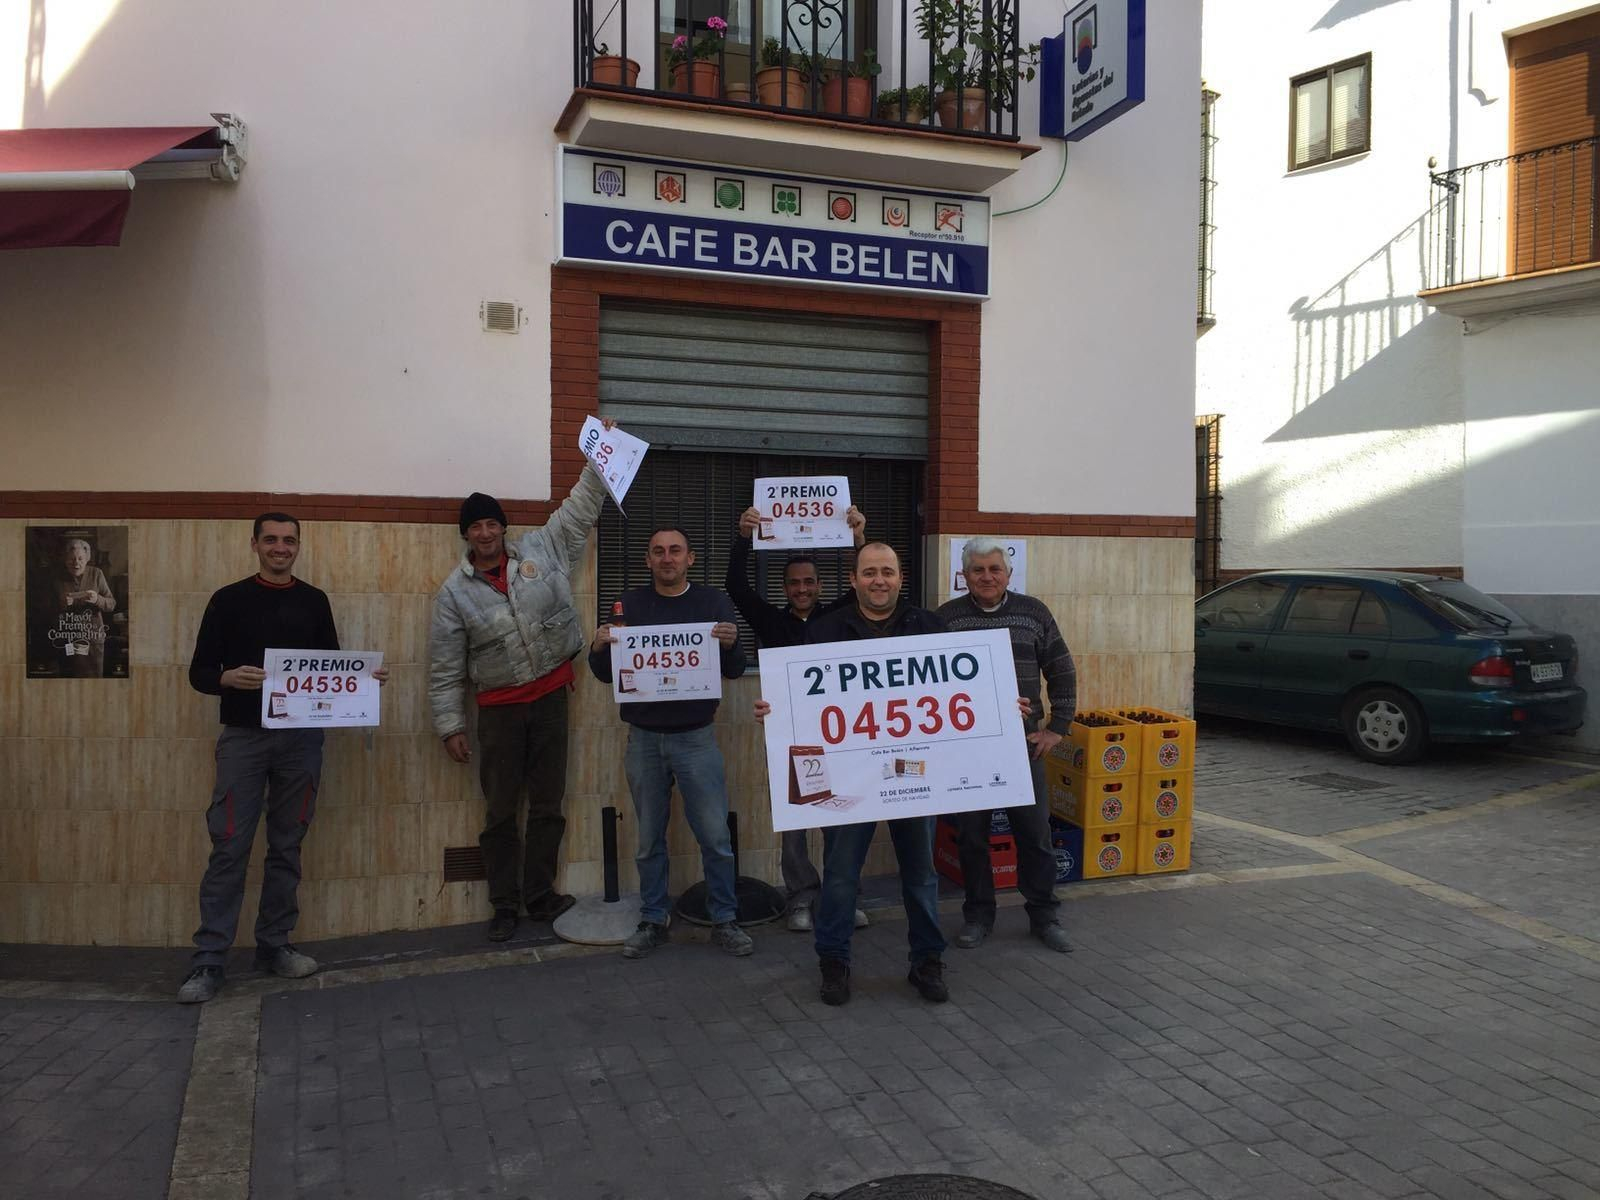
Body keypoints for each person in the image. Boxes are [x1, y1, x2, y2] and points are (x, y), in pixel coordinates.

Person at [178, 513, 387, 1004]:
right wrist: (229, 678)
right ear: (254, 544)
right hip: (244, 741)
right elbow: (200, 672)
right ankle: (209, 960)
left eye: (288, 540)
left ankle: (274, 946)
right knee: (229, 846)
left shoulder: (313, 601)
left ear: (298, 546)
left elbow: (331, 670)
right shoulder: (227, 600)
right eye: (270, 539)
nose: (279, 547)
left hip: (301, 742)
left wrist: (359, 682)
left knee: (287, 845)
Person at [756, 543, 955, 1008]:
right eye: (869, 573)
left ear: (901, 577)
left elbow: (957, 693)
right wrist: (775, 710)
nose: (879, 580)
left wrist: (1002, 705)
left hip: (914, 773)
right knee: (841, 875)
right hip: (850, 777)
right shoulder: (824, 631)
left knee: (921, 876)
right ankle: (834, 962)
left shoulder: (930, 627)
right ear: (854, 580)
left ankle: (927, 961)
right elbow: (799, 698)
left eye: (887, 571)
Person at [429, 455, 608, 943]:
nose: (485, 533)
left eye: (492, 523)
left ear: (503, 528)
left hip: (551, 699)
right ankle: (504, 904)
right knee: (502, 811)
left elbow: (578, 510)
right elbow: (445, 667)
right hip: (499, 713)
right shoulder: (453, 595)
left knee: (549, 803)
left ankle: (540, 894)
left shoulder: (541, 551)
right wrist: (450, 726)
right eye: (476, 527)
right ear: (465, 536)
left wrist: (597, 460)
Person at [588, 527, 753, 960]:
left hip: (696, 738)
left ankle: (725, 920)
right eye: (658, 552)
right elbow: (605, 674)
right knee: (647, 840)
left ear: (690, 558)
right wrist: (599, 645)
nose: (667, 558)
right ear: (648, 560)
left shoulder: (712, 603)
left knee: (715, 837)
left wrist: (734, 643)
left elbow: (734, 669)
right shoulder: (629, 604)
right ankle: (653, 919)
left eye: (675, 551)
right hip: (643, 739)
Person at [724, 503, 869, 933]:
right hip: (789, 736)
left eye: (809, 582)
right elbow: (735, 585)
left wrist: (858, 541)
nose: (802, 589)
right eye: (794, 584)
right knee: (796, 821)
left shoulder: (841, 616)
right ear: (785, 588)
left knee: (840, 819)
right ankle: (801, 898)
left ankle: (843, 896)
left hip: (839, 734)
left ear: (821, 585)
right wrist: (742, 537)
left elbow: (867, 586)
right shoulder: (771, 620)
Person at [937, 537, 1077, 954]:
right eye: (977, 570)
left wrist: (1058, 728)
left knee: (1034, 834)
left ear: (1008, 573)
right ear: (963, 576)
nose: (986, 577)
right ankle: (979, 915)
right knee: (972, 837)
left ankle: (1044, 915)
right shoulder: (945, 619)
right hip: (968, 750)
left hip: (1023, 746)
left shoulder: (1034, 613)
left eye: (994, 569)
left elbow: (1062, 669)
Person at [50, 532, 116, 677]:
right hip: (69, 638)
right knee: (70, 677)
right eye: (71, 559)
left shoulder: (96, 574)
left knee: (93, 679)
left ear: (87, 559)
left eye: (80, 558)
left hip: (93, 639)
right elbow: (44, 610)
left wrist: (97, 599)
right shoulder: (56, 578)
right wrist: (61, 604)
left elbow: (111, 604)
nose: (76, 563)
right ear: (65, 559)